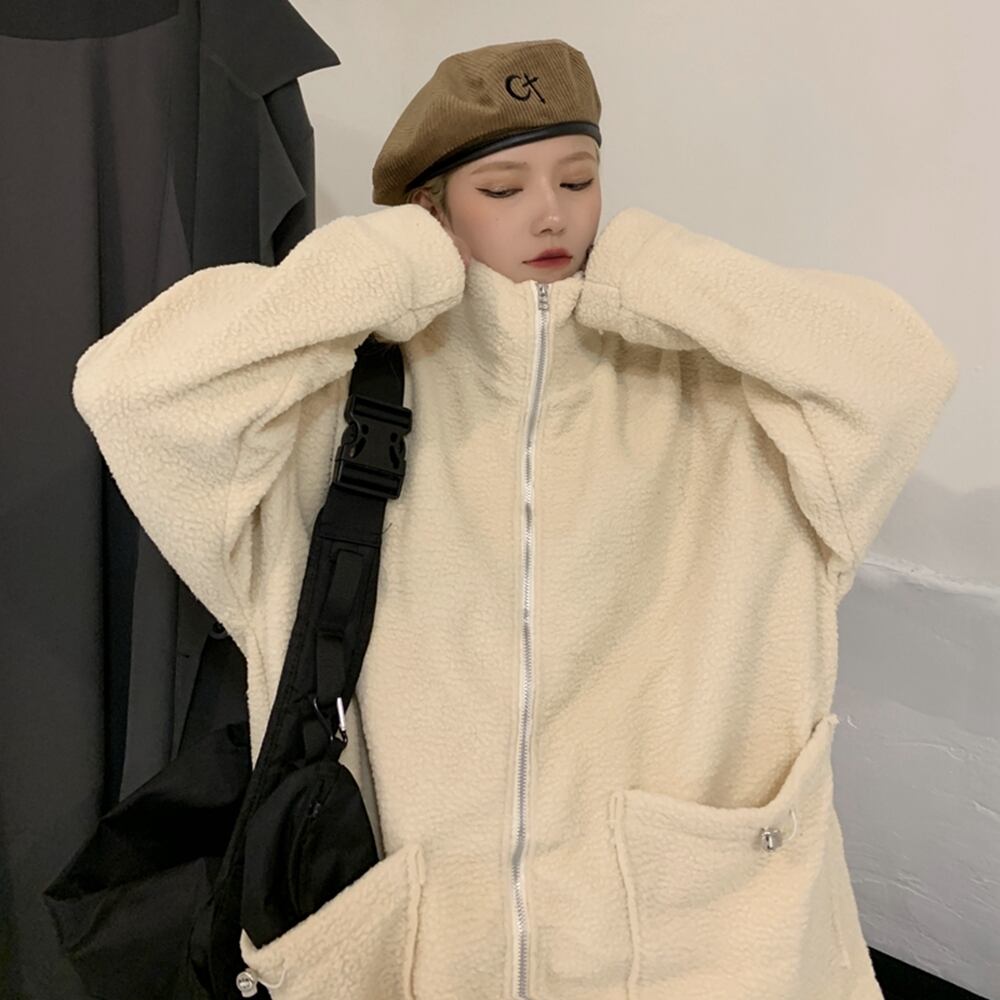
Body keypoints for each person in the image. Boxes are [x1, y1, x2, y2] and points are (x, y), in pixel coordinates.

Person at [72, 37, 957, 1000]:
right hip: (416, 954)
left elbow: (904, 373)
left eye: (578, 180)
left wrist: (654, 266)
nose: (552, 214)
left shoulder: (722, 398)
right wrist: (393, 259)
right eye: (502, 188)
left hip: (702, 949)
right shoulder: (333, 408)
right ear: (433, 209)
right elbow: (133, 394)